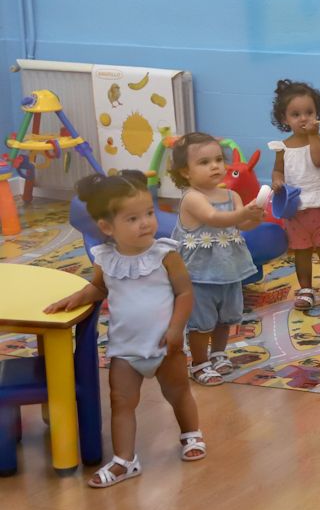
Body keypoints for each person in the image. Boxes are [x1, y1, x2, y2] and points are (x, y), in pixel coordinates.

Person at [45, 172, 206, 488]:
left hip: (164, 345)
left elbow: (185, 293)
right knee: (121, 402)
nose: (146, 222)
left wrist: (176, 329)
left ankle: (191, 434)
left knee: (177, 393)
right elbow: (98, 288)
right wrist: (74, 298)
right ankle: (124, 460)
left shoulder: (165, 254)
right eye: (133, 218)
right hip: (123, 348)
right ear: (107, 227)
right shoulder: (105, 258)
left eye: (149, 213)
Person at [168, 132, 263, 386]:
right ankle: (199, 363)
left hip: (229, 270)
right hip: (199, 274)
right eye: (204, 162)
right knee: (201, 322)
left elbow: (241, 225)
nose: (215, 166)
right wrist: (243, 213)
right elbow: (214, 218)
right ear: (185, 172)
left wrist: (254, 217)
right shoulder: (192, 198)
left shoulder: (232, 197)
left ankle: (218, 353)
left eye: (219, 159)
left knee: (226, 316)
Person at [268, 79, 320, 310]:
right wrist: (276, 179)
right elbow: (278, 169)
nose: (303, 118)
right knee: (301, 252)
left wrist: (314, 135)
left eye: (309, 112)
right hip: (297, 209)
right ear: (285, 119)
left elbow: (318, 160)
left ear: (318, 114)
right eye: (295, 114)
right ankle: (305, 289)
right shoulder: (282, 147)